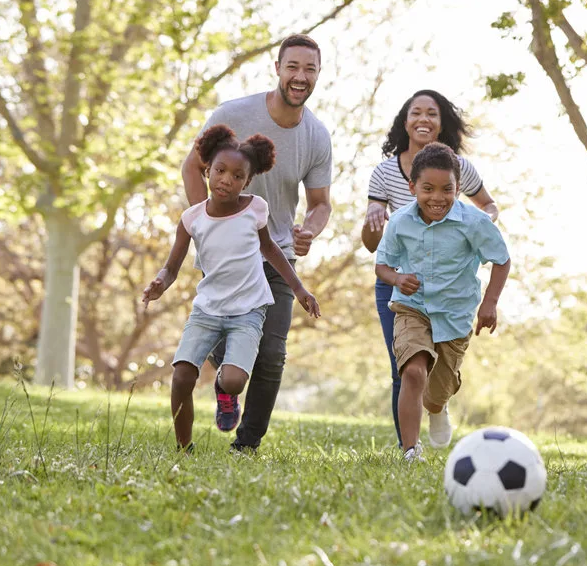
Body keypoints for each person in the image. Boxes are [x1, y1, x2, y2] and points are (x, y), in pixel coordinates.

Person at [181, 33, 333, 452]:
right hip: (225, 255)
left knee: (271, 354)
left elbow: (321, 203)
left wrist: (310, 230)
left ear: (318, 75)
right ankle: (225, 383)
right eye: (293, 67)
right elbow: (192, 168)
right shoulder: (234, 114)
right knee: (216, 339)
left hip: (276, 252)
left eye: (310, 69)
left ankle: (246, 445)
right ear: (278, 69)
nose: (301, 77)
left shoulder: (316, 136)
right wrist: (207, 225)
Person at [144, 125, 320, 451]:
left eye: (238, 176)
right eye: (220, 171)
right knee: (182, 376)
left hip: (248, 312)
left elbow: (270, 249)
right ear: (207, 170)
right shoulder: (192, 219)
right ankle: (184, 448)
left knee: (235, 380)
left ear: (248, 181)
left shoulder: (255, 209)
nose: (227, 179)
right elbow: (172, 266)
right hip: (207, 310)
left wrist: (299, 289)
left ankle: (225, 393)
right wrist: (160, 284)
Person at [362, 90, 499, 445]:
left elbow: (488, 207)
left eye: (432, 113)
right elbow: (374, 246)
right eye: (416, 112)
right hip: (403, 286)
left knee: (437, 378)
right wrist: (373, 219)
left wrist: (479, 227)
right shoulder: (384, 173)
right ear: (404, 121)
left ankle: (436, 407)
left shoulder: (460, 169)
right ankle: (408, 446)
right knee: (408, 367)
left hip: (453, 292)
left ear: (442, 122)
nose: (423, 119)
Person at [374, 142, 511, 461]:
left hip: (456, 313)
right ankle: (410, 450)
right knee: (412, 372)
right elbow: (382, 265)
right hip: (413, 307)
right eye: (428, 188)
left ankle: (439, 408)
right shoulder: (400, 222)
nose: (437, 197)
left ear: (459, 188)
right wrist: (397, 279)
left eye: (447, 189)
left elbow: (501, 259)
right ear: (412, 187)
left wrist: (489, 303)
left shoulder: (474, 222)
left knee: (435, 395)